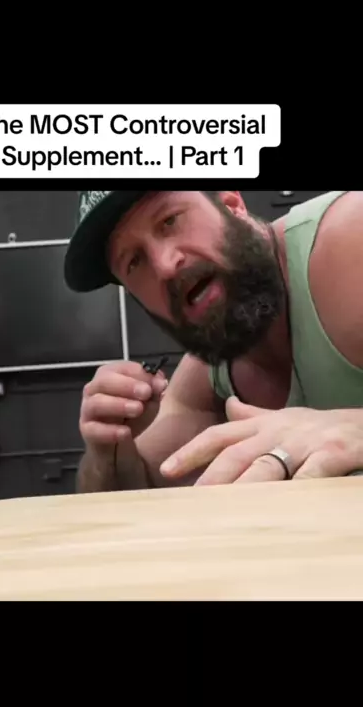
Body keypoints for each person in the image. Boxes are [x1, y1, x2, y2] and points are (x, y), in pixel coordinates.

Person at [64, 190, 363, 491]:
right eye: (134, 261)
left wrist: (353, 431)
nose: (165, 266)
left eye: (170, 221)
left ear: (232, 205)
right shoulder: (210, 374)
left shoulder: (351, 239)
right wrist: (107, 449)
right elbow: (130, 490)